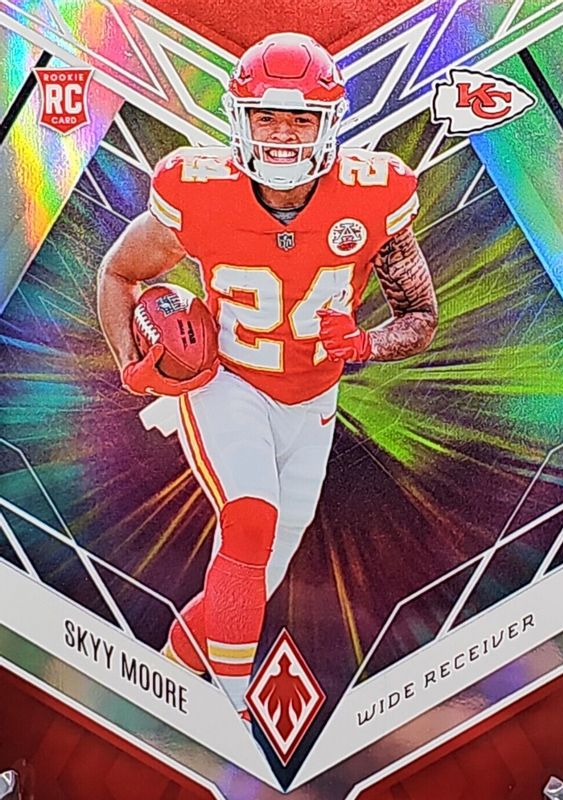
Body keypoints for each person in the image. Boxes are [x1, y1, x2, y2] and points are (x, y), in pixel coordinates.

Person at [97, 32, 438, 714]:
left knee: (256, 575)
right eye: (266, 116)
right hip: (228, 381)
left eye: (300, 118)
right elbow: (119, 272)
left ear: (329, 123)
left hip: (314, 401)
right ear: (240, 119)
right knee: (250, 522)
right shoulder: (199, 190)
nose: (282, 133)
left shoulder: (374, 194)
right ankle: (229, 713)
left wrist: (364, 343)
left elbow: (421, 315)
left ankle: (169, 674)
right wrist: (133, 366)